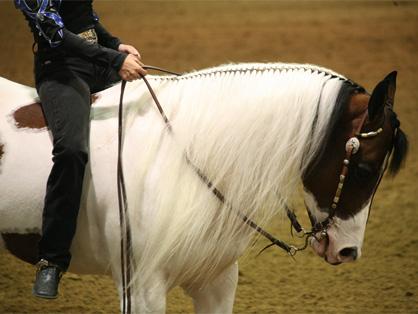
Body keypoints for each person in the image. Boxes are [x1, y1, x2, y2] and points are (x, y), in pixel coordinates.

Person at [14, 0, 147, 299]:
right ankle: (52, 260)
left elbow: (85, 19)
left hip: (97, 62)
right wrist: (114, 60)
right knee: (71, 151)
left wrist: (115, 45)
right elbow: (55, 33)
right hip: (61, 70)